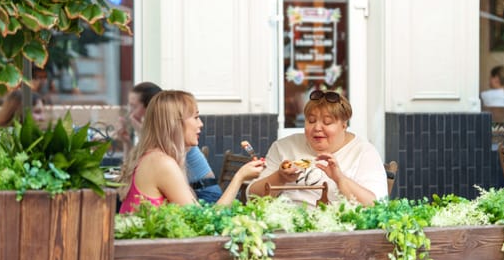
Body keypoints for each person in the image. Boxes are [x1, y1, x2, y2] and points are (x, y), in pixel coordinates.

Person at [117, 90, 265, 213]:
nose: (201, 124)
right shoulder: (162, 163)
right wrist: (240, 177)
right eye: (196, 117)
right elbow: (206, 222)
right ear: (175, 123)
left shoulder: (153, 156)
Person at [246, 89, 387, 207]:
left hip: (339, 233)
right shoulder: (284, 147)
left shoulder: (363, 151)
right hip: (283, 230)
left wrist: (340, 179)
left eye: (327, 122)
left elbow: (376, 206)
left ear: (344, 125)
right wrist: (280, 177)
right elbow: (252, 198)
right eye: (311, 121)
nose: (317, 128)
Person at [115, 82, 224, 203]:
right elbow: (134, 161)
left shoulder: (171, 141)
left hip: (203, 191)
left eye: (133, 106)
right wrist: (127, 142)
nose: (130, 112)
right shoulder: (158, 156)